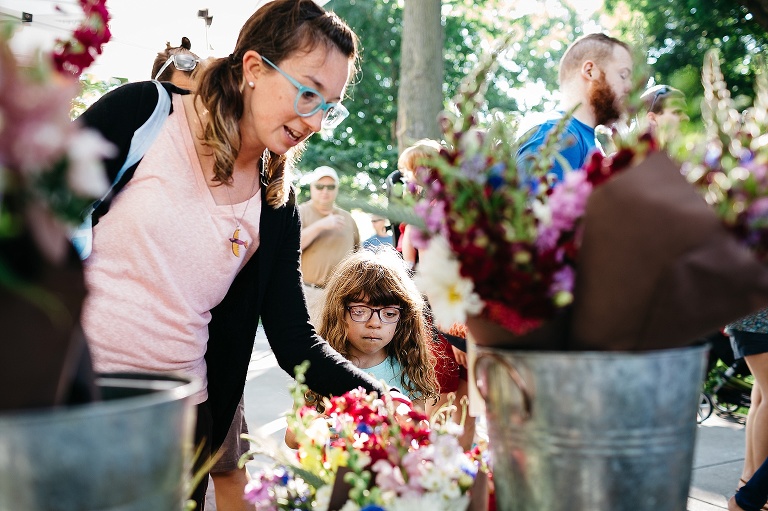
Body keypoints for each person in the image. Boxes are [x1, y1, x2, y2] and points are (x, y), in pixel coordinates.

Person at [77, 1, 387, 509]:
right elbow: (30, 221)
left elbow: (294, 341)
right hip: (73, 406)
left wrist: (383, 400)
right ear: (253, 69)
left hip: (178, 429)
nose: (314, 120)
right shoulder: (144, 115)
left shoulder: (275, 204)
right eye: (308, 92)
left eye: (328, 107)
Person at [150, 36, 251, 511]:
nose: (197, 111)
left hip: (198, 386)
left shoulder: (254, 186)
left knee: (224, 473)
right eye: (183, 97)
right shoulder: (140, 147)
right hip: (104, 382)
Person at [516, 33, 634, 181]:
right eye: (623, 75)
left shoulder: (587, 142)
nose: (629, 87)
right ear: (590, 71)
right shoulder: (558, 135)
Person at [298, 165, 359, 326]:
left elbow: (358, 255)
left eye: (330, 187)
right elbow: (290, 247)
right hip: (309, 294)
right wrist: (321, 225)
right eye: (320, 186)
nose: (325, 191)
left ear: (336, 189)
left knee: (337, 346)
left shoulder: (348, 218)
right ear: (312, 188)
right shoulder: (299, 213)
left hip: (341, 296)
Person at [727, 309, 768, 503]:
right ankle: (760, 490)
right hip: (758, 325)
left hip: (750, 323)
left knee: (761, 397)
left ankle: (749, 477)